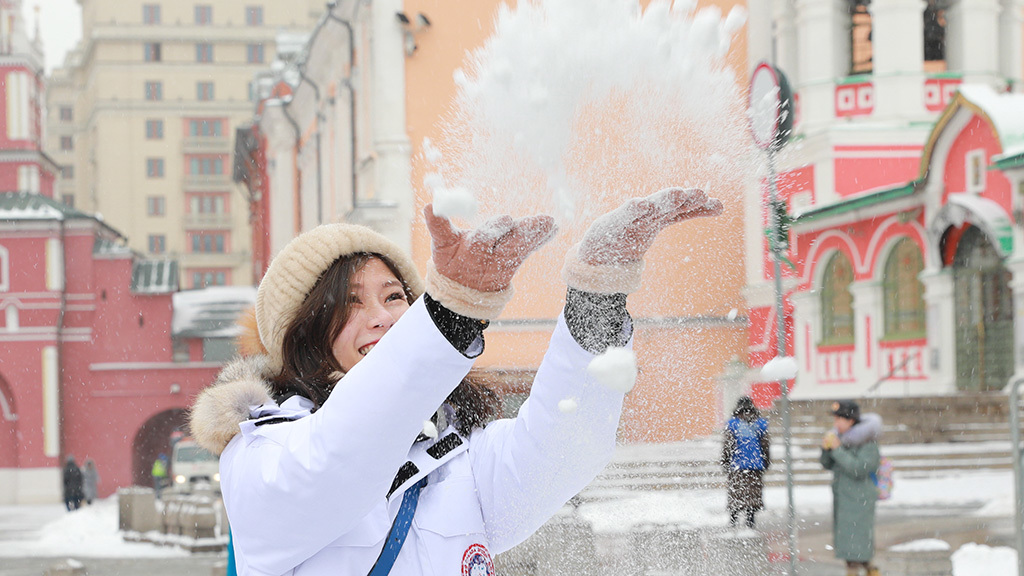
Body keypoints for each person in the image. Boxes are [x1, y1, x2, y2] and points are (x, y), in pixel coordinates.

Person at [190, 187, 722, 576]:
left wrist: (597, 297)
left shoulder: (454, 459)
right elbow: (340, 458)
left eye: (396, 296)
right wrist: (451, 314)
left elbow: (561, 449)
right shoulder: (262, 457)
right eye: (349, 302)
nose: (382, 317)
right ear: (304, 336)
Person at [821, 400, 883, 576]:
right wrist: (826, 449)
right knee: (850, 545)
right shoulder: (840, 440)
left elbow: (858, 469)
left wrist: (838, 449)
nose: (836, 424)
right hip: (843, 499)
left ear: (851, 421)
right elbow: (826, 464)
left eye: (839, 419)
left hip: (860, 500)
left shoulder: (868, 443)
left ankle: (864, 570)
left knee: (858, 544)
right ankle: (870, 569)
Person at [721, 395, 770, 528]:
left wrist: (725, 460)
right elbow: (765, 444)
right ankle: (750, 519)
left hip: (737, 465)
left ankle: (733, 519)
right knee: (753, 493)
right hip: (755, 464)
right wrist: (766, 460)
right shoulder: (760, 424)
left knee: (736, 493)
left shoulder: (733, 424)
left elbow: (728, 445)